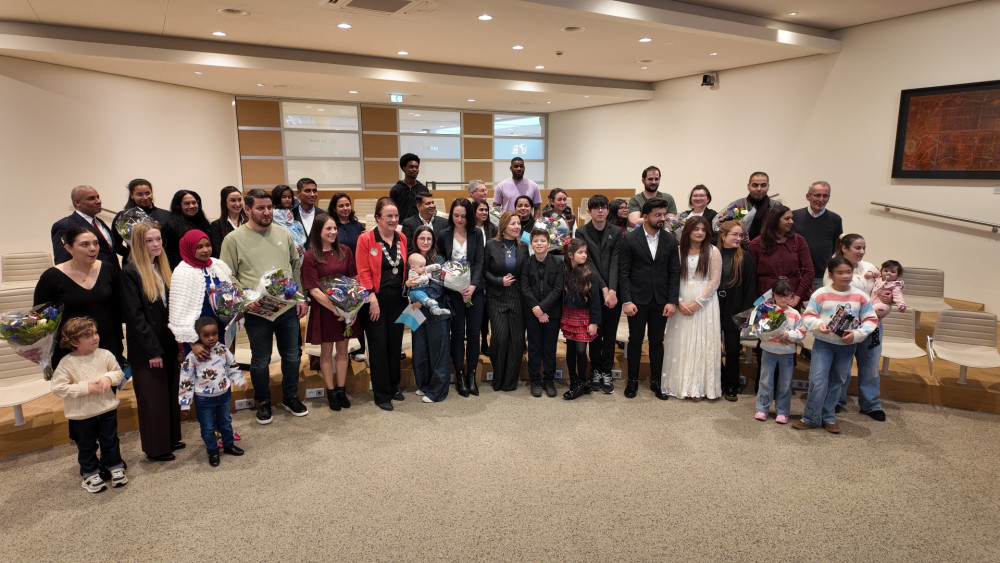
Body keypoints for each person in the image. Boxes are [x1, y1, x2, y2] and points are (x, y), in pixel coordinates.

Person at [220, 189, 310, 424]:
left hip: (287, 308)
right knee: (261, 360)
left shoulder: (283, 233)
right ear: (247, 209)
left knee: (292, 356)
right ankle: (262, 401)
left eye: (269, 207)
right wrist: (247, 300)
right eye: (260, 208)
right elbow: (227, 275)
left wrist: (301, 297)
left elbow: (295, 265)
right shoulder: (233, 239)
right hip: (257, 311)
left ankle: (291, 396)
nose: (267, 212)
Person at [120, 222, 182, 462]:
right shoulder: (130, 272)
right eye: (149, 240)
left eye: (158, 239)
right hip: (148, 347)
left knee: (170, 393)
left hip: (167, 341)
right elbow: (135, 317)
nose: (156, 244)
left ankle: (171, 438)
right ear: (138, 244)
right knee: (153, 399)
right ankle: (156, 449)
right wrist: (153, 351)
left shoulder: (162, 267)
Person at [795, 256, 878, 433]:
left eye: (849, 272)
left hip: (847, 348)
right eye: (840, 272)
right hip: (823, 345)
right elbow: (808, 316)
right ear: (831, 274)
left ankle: (829, 417)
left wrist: (856, 334)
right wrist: (819, 324)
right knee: (817, 381)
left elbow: (871, 320)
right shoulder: (820, 293)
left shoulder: (860, 296)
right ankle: (810, 417)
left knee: (837, 382)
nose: (846, 276)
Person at [50, 317, 127, 493]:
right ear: (74, 342)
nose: (95, 337)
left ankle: (114, 465)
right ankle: (90, 472)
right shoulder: (67, 363)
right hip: (82, 415)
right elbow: (58, 388)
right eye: (87, 335)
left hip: (106, 409)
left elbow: (118, 373)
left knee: (110, 440)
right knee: (86, 445)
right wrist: (86, 388)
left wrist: (108, 378)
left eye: (95, 333)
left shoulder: (105, 354)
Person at [35, 226, 124, 370]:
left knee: (109, 384)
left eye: (95, 243)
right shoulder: (51, 277)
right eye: (85, 244)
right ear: (69, 248)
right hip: (70, 349)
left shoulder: (108, 269)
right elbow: (41, 318)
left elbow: (120, 308)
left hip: (107, 344)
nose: (93, 248)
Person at [618, 198, 681, 400]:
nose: (662, 218)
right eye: (657, 215)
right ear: (645, 217)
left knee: (656, 341)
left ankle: (657, 382)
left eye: (664, 214)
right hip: (637, 299)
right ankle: (632, 381)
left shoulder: (670, 240)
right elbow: (623, 272)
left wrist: (672, 301)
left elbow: (674, 273)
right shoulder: (629, 239)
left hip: (661, 300)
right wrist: (626, 300)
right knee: (635, 341)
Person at [825, 234, 887, 421]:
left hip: (871, 322)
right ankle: (836, 400)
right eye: (857, 248)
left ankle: (870, 404)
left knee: (870, 366)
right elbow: (837, 296)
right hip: (846, 321)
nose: (862, 252)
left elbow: (881, 290)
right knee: (841, 366)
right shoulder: (834, 267)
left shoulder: (869, 267)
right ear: (844, 248)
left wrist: (887, 299)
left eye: (864, 248)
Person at [356, 197, 409, 411]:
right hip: (374, 300)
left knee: (395, 346)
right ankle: (381, 393)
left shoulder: (401, 238)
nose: (393, 219)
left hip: (398, 299)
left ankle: (394, 387)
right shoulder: (366, 239)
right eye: (389, 216)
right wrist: (371, 298)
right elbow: (363, 271)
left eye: (396, 216)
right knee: (378, 347)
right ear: (377, 217)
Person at [661, 216, 722, 400]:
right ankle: (681, 385)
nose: (700, 233)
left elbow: (715, 280)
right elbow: (671, 277)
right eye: (696, 229)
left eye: (703, 229)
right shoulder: (678, 250)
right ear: (687, 231)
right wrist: (678, 301)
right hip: (681, 298)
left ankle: (699, 388)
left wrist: (698, 302)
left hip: (705, 303)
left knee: (702, 343)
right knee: (682, 342)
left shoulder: (713, 251)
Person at [301, 213, 356, 411]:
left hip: (345, 309)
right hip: (325, 310)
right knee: (326, 353)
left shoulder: (345, 251)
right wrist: (336, 309)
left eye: (335, 228)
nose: (333, 232)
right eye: (328, 229)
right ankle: (331, 392)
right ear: (319, 231)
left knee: (343, 350)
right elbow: (314, 290)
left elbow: (353, 279)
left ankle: (341, 390)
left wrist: (352, 308)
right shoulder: (310, 256)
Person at [179, 317, 247, 467]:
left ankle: (228, 445)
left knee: (226, 422)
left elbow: (232, 366)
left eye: (214, 334)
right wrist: (185, 403)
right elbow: (186, 379)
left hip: (223, 395)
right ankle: (213, 451)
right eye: (206, 335)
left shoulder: (223, 349)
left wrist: (240, 380)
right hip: (204, 399)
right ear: (198, 336)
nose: (211, 338)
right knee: (208, 427)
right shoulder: (193, 357)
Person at [575, 195, 623, 393]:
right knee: (594, 333)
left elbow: (615, 261)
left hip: (614, 291)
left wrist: (612, 290)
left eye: (603, 207)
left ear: (608, 210)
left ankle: (606, 371)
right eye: (596, 208)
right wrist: (603, 289)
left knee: (610, 335)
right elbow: (588, 262)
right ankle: (595, 370)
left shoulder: (616, 232)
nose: (600, 211)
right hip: (593, 290)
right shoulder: (581, 231)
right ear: (589, 211)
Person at [437, 198, 485, 397]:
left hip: (474, 291)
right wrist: (454, 284)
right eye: (456, 215)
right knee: (457, 334)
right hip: (453, 291)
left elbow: (480, 261)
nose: (459, 219)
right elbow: (441, 261)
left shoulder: (477, 233)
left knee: (473, 333)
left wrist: (472, 285)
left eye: (463, 216)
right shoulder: (443, 234)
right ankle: (460, 375)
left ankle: (471, 373)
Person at [167, 229, 233, 355]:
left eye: (208, 245)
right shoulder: (182, 271)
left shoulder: (217, 265)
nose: (206, 250)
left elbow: (230, 294)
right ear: (189, 248)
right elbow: (178, 313)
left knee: (224, 364)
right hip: (196, 336)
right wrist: (193, 344)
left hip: (220, 329)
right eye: (199, 247)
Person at [406, 226, 452, 403]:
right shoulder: (411, 259)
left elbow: (438, 288)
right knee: (420, 351)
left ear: (433, 241)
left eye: (429, 239)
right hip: (416, 313)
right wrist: (408, 289)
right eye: (421, 238)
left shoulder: (438, 260)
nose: (425, 242)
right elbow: (406, 285)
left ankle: (437, 391)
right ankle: (424, 385)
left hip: (435, 311)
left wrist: (419, 301)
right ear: (415, 240)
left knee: (437, 353)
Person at [484, 211, 529, 392]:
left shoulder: (524, 247)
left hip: (517, 297)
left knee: (517, 341)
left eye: (518, 223)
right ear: (503, 226)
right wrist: (499, 281)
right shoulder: (491, 245)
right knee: (500, 338)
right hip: (496, 297)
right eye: (512, 224)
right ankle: (498, 379)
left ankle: (510, 382)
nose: (517, 227)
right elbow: (484, 271)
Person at [753, 279, 805, 424]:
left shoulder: (795, 314)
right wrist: (767, 333)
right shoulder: (766, 310)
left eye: (787, 295)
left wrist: (789, 335)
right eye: (780, 295)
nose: (783, 299)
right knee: (765, 381)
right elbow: (757, 329)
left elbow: (801, 332)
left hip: (787, 353)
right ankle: (762, 408)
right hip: (768, 351)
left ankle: (782, 411)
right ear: (773, 295)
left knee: (785, 383)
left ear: (792, 295)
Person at [520, 227, 563, 398]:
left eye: (543, 241)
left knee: (550, 348)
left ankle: (549, 381)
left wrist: (543, 308)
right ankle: (535, 381)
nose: (539, 244)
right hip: (532, 313)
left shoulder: (558, 263)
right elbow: (525, 288)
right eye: (536, 241)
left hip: (552, 313)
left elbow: (558, 289)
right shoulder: (526, 263)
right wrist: (537, 310)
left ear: (548, 244)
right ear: (531, 244)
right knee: (534, 348)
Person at [716, 220, 757, 401]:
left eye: (741, 235)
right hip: (714, 305)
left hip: (735, 306)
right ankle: (718, 380)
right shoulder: (713, 253)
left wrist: (744, 313)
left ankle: (732, 384)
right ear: (723, 235)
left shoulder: (745, 257)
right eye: (734, 234)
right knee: (713, 346)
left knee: (733, 348)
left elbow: (750, 287)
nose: (738, 238)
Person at [747, 204, 814, 307]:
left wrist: (797, 297)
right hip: (765, 300)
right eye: (787, 218)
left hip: (791, 298)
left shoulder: (798, 240)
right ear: (775, 220)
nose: (791, 221)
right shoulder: (756, 244)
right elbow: (750, 277)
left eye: (791, 218)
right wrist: (757, 301)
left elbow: (809, 271)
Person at [327, 192, 367, 362]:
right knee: (342, 313)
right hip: (338, 276)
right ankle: (344, 351)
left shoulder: (358, 226)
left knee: (358, 312)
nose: (345, 208)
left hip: (357, 274)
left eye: (347, 205)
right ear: (334, 208)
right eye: (341, 205)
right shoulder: (331, 227)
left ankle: (359, 348)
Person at [560, 239, 602, 400]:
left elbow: (595, 301)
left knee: (580, 350)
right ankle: (574, 380)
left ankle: (582, 381)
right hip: (569, 315)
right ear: (570, 255)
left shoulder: (590, 274)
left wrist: (594, 322)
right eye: (580, 252)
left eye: (585, 252)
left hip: (584, 316)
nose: (584, 255)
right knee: (570, 349)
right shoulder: (565, 271)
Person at [51, 185, 119, 272]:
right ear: (77, 203)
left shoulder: (99, 222)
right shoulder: (64, 225)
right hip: (89, 276)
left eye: (98, 197)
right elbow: (63, 260)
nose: (98, 201)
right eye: (91, 198)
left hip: (113, 273)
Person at [792, 181, 843, 290]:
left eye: (825, 196)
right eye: (817, 195)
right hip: (797, 274)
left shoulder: (835, 219)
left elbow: (837, 247)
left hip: (822, 276)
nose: (821, 200)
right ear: (808, 196)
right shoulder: (794, 216)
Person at [111, 178, 172, 262]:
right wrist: (131, 254)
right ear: (132, 195)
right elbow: (115, 243)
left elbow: (172, 243)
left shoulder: (167, 215)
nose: (145, 197)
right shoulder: (123, 216)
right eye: (139, 194)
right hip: (134, 263)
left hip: (160, 262)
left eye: (147, 193)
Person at [714, 171, 772, 241]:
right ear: (748, 186)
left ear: (768, 186)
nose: (759, 189)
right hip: (740, 246)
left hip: (770, 246)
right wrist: (737, 238)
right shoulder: (737, 205)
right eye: (755, 185)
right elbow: (718, 227)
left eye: (763, 185)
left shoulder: (775, 207)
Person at [162, 189, 213, 269]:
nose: (191, 206)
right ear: (178, 206)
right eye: (186, 203)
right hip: (184, 270)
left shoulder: (203, 222)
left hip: (207, 267)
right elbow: (170, 255)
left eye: (194, 202)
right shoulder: (169, 226)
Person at [209, 186, 248, 254]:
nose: (237, 204)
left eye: (239, 200)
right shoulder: (217, 225)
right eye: (233, 200)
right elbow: (219, 251)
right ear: (224, 202)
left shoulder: (249, 221)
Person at [389, 153, 426, 221]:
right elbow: (391, 211)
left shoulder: (423, 189)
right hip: (401, 225)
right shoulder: (396, 190)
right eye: (411, 167)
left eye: (417, 167)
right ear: (404, 168)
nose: (414, 169)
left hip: (420, 225)